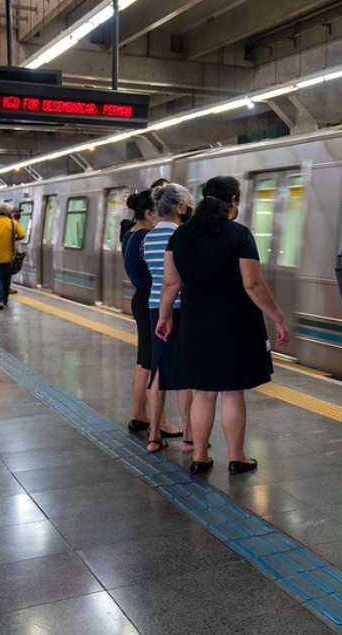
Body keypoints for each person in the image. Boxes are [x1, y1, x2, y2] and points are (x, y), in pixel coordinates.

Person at [155, 176, 289, 475]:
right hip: (235, 322)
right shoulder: (239, 234)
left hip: (195, 322)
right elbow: (252, 284)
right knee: (231, 392)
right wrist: (278, 317)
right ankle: (237, 457)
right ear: (233, 201)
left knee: (203, 391)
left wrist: (164, 317)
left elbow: (170, 283)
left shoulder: (180, 235)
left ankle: (200, 457)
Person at [123, 188, 182, 438]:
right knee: (154, 363)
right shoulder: (147, 236)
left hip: (141, 298)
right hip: (153, 300)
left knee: (144, 362)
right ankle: (161, 422)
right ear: (148, 213)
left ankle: (139, 415)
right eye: (156, 213)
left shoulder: (129, 234)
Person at [142, 183, 194, 453]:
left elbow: (156, 276)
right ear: (179, 207)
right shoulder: (183, 234)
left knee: (159, 369)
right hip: (181, 306)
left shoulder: (148, 238)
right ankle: (189, 437)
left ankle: (153, 436)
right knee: (185, 371)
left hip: (155, 307)